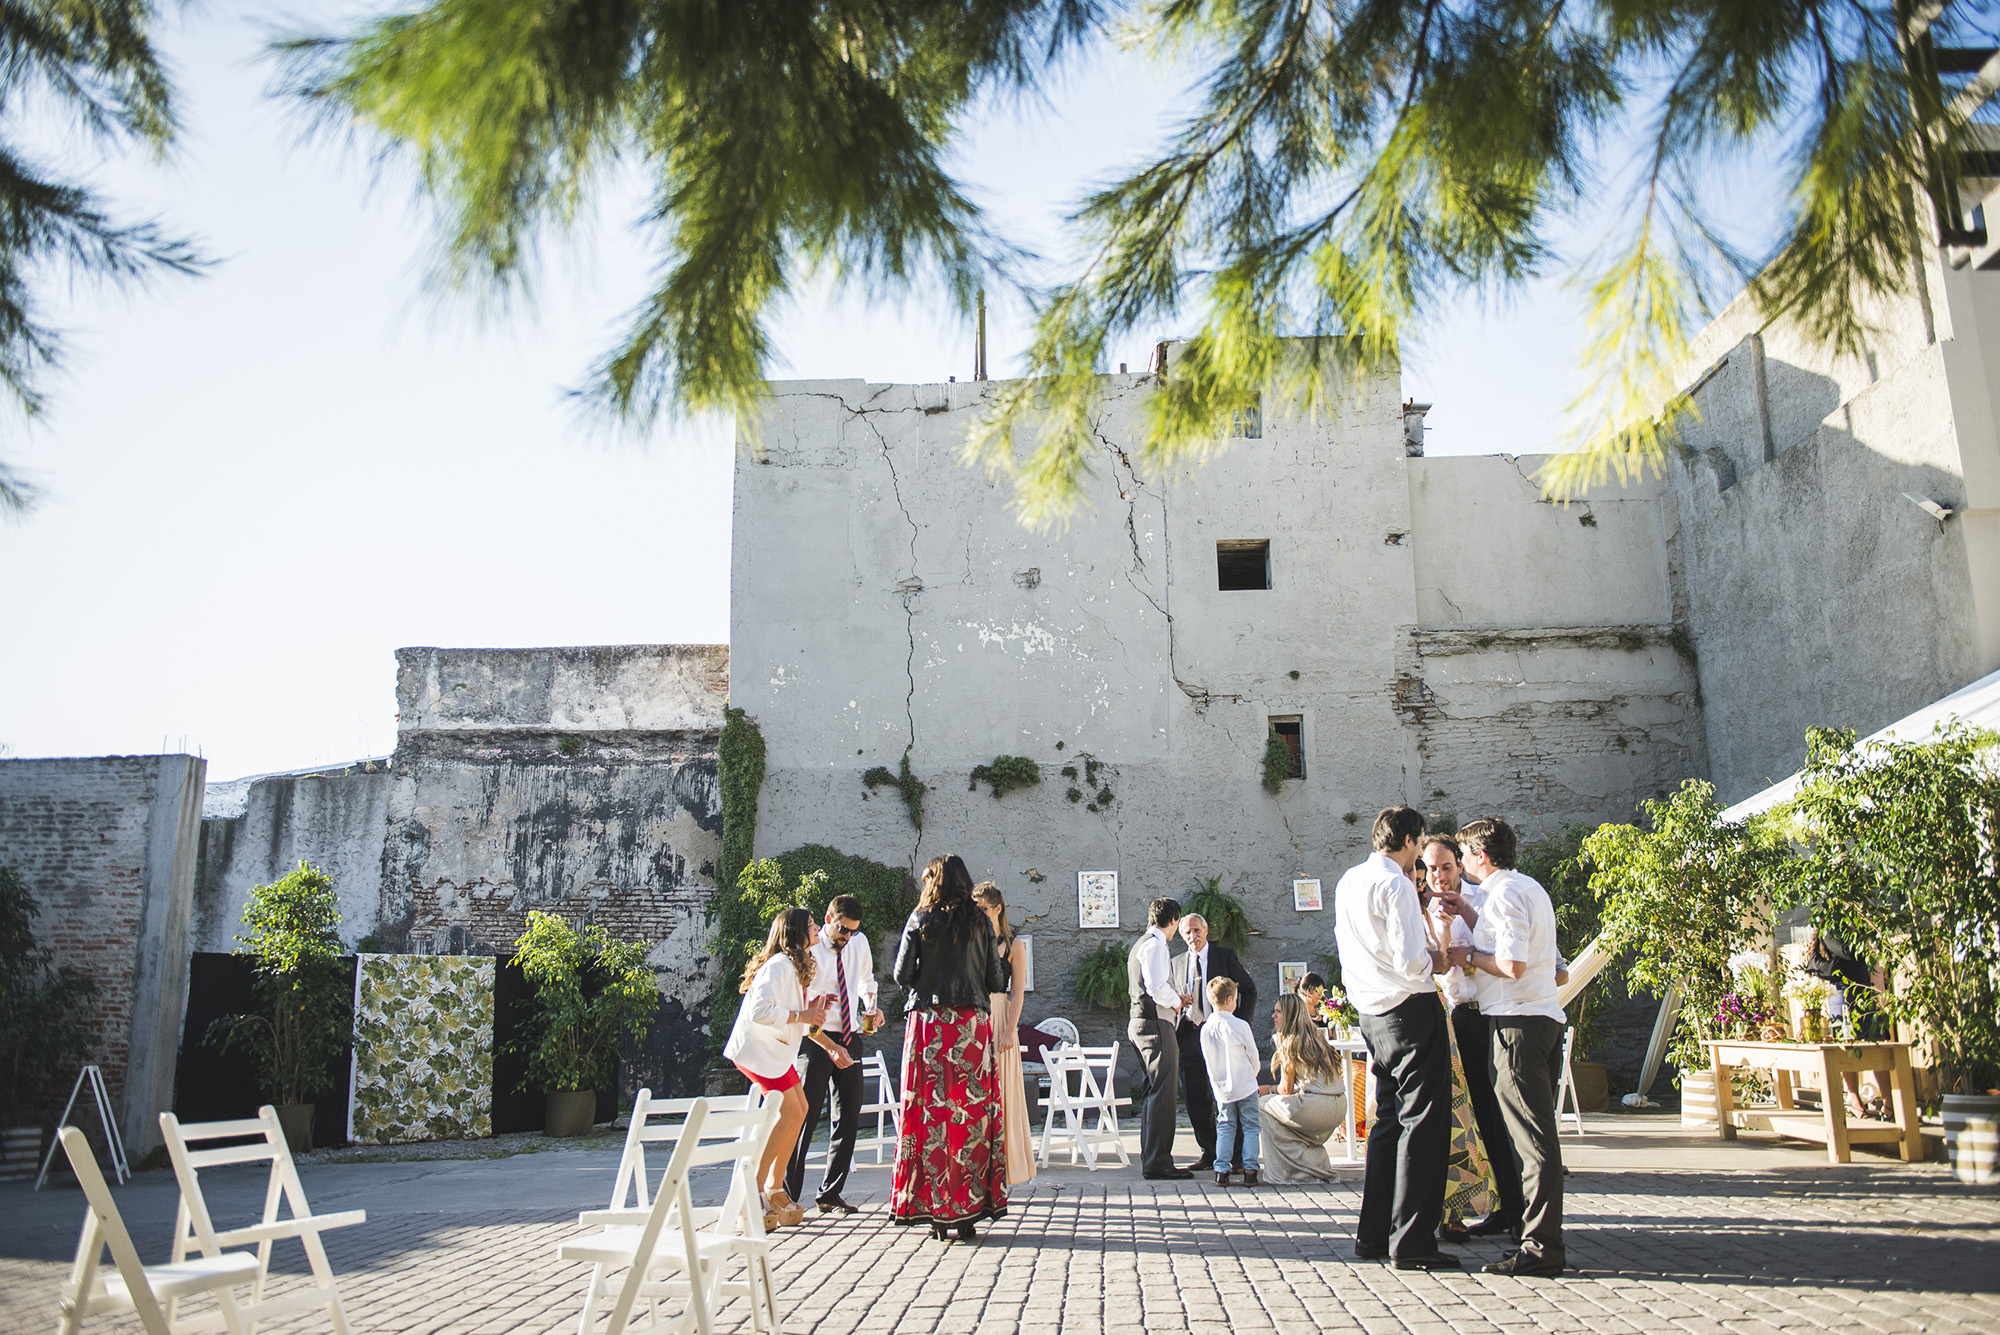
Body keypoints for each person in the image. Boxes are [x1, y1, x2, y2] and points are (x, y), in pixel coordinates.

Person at [1334, 805, 1457, 1270]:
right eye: (1420, 847)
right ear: (1410, 840)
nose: (1421, 861)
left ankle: (1373, 1234)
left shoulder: (1349, 880)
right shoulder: (1397, 885)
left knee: (1386, 1124)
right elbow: (1411, 963)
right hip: (1409, 1008)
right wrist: (1440, 961)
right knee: (1423, 1126)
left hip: (1371, 1013)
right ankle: (1413, 1242)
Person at [1452, 817, 1567, 1277]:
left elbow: (1511, 963)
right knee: (1535, 1137)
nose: (1460, 864)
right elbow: (1508, 940)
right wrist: (1467, 916)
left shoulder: (1502, 894)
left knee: (1532, 1143)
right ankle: (1538, 1236)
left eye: (1462, 855)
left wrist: (1467, 958)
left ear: (1481, 855)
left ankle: (1541, 1247)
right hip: (1536, 1019)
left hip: (1516, 1023)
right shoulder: (1526, 888)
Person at [890, 854, 1010, 1242]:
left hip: (929, 1025)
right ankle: (969, 1209)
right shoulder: (980, 921)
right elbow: (995, 978)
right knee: (971, 1116)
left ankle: (933, 1208)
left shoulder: (920, 918)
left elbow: (902, 974)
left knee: (929, 1114)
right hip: (971, 1027)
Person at [1424, 835, 1521, 1242]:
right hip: (1460, 1017)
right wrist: (1443, 935)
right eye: (1431, 869)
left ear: (1460, 866)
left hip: (1493, 1013)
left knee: (1505, 1116)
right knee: (1477, 1116)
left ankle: (1519, 1207)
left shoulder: (1485, 898)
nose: (1439, 876)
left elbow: (1503, 951)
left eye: (1446, 866)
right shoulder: (1431, 909)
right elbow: (1438, 966)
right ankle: (1498, 1206)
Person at [722, 907, 830, 1230]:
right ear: (796, 934)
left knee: (801, 1109)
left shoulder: (794, 966)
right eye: (810, 926)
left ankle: (774, 1186)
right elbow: (759, 1011)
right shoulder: (779, 966)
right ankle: (754, 1189)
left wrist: (808, 1012)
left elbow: (789, 1011)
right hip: (759, 1052)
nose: (815, 930)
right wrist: (803, 1016)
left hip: (775, 1053)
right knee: (790, 1113)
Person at [784, 894, 883, 1216]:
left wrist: (871, 1006)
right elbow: (799, 1008)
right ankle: (787, 1195)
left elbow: (866, 980)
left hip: (850, 1036)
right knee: (804, 1116)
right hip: (814, 1039)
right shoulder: (809, 950)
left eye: (853, 931)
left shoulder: (859, 943)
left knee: (849, 1116)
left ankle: (830, 1194)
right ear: (828, 920)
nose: (847, 937)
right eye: (843, 930)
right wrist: (829, 1045)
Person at [1171, 911, 1259, 1170]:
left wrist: (1238, 1024)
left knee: (1232, 1092)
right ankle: (1209, 1153)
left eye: (1196, 930)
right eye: (1187, 932)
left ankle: (1238, 1157)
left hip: (1222, 1034)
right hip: (1190, 1034)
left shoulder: (1224, 957)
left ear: (1206, 930)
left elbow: (1249, 989)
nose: (1192, 936)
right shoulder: (1176, 963)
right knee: (1195, 1097)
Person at [1129, 896, 1197, 1179]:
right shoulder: (1156, 945)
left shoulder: (1140, 944)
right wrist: (1178, 1002)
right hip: (1156, 1024)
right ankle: (1158, 1163)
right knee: (1164, 1092)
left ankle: (1151, 1157)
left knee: (1153, 1091)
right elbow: (1157, 988)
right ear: (1173, 920)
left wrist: (1173, 997)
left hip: (1140, 1021)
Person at [973, 881, 1036, 1185]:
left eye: (983, 908)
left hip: (999, 1017)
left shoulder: (1015, 946)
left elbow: (1018, 993)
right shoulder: (970, 943)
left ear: (998, 909)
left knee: (1002, 1092)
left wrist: (1010, 1029)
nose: (979, 914)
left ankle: (1006, 1165)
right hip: (972, 1019)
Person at [1258, 992, 1348, 1181]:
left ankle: (1290, 1169)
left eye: (1278, 1012)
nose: (1273, 1016)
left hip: (1315, 1107)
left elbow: (1285, 1090)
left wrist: (1268, 1089)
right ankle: (1312, 1162)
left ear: (1290, 1015)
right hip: (1339, 1106)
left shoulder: (1290, 1042)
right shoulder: (1317, 1037)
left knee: (1263, 1105)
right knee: (1285, 1110)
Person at [1200, 976, 1266, 1185]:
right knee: (1251, 1126)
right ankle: (1250, 1169)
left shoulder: (1205, 1029)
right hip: (1245, 1083)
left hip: (1222, 1087)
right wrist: (1252, 1073)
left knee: (1225, 1126)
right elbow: (1252, 1055)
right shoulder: (1240, 1025)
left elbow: (1208, 1059)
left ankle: (1221, 1169)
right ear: (1230, 1000)